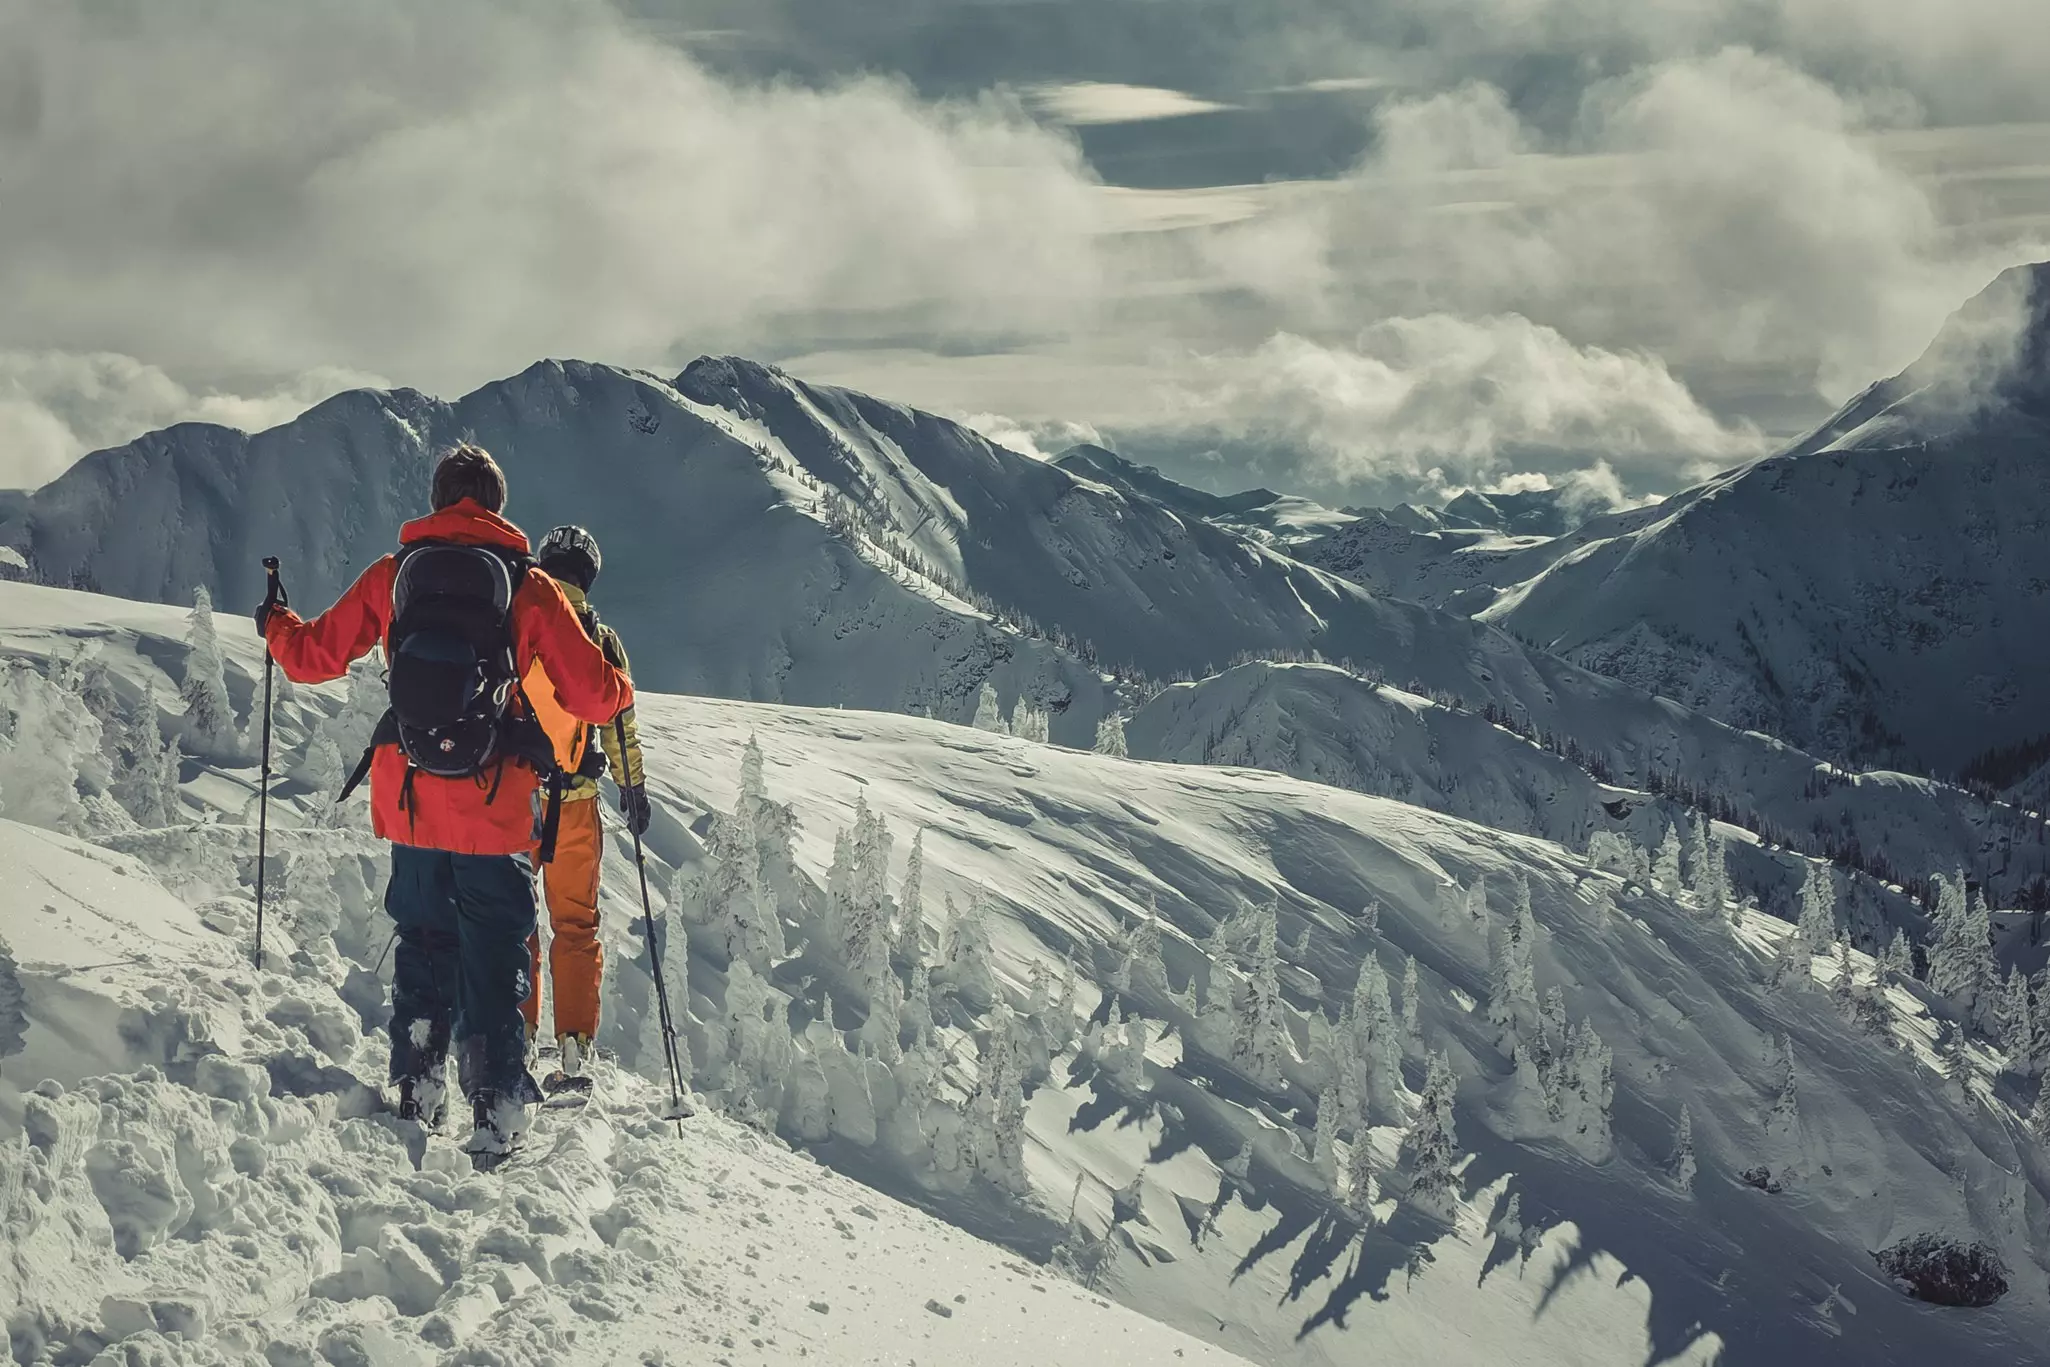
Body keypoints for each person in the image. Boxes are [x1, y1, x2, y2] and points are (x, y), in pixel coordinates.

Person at [256, 443, 633, 1166]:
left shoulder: (394, 575)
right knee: (495, 954)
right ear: (495, 505)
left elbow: (313, 657)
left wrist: (276, 622)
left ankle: (416, 1089)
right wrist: (619, 684)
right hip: (494, 809)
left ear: (436, 501)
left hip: (412, 800)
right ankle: (494, 1111)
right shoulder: (528, 587)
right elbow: (591, 694)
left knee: (425, 945)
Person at [519, 524, 650, 1093]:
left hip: (516, 799)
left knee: (514, 920)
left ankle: (514, 1034)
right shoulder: (601, 637)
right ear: (589, 577)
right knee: (574, 925)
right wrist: (633, 788)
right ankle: (573, 1049)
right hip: (574, 804)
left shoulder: (517, 621)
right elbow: (620, 720)